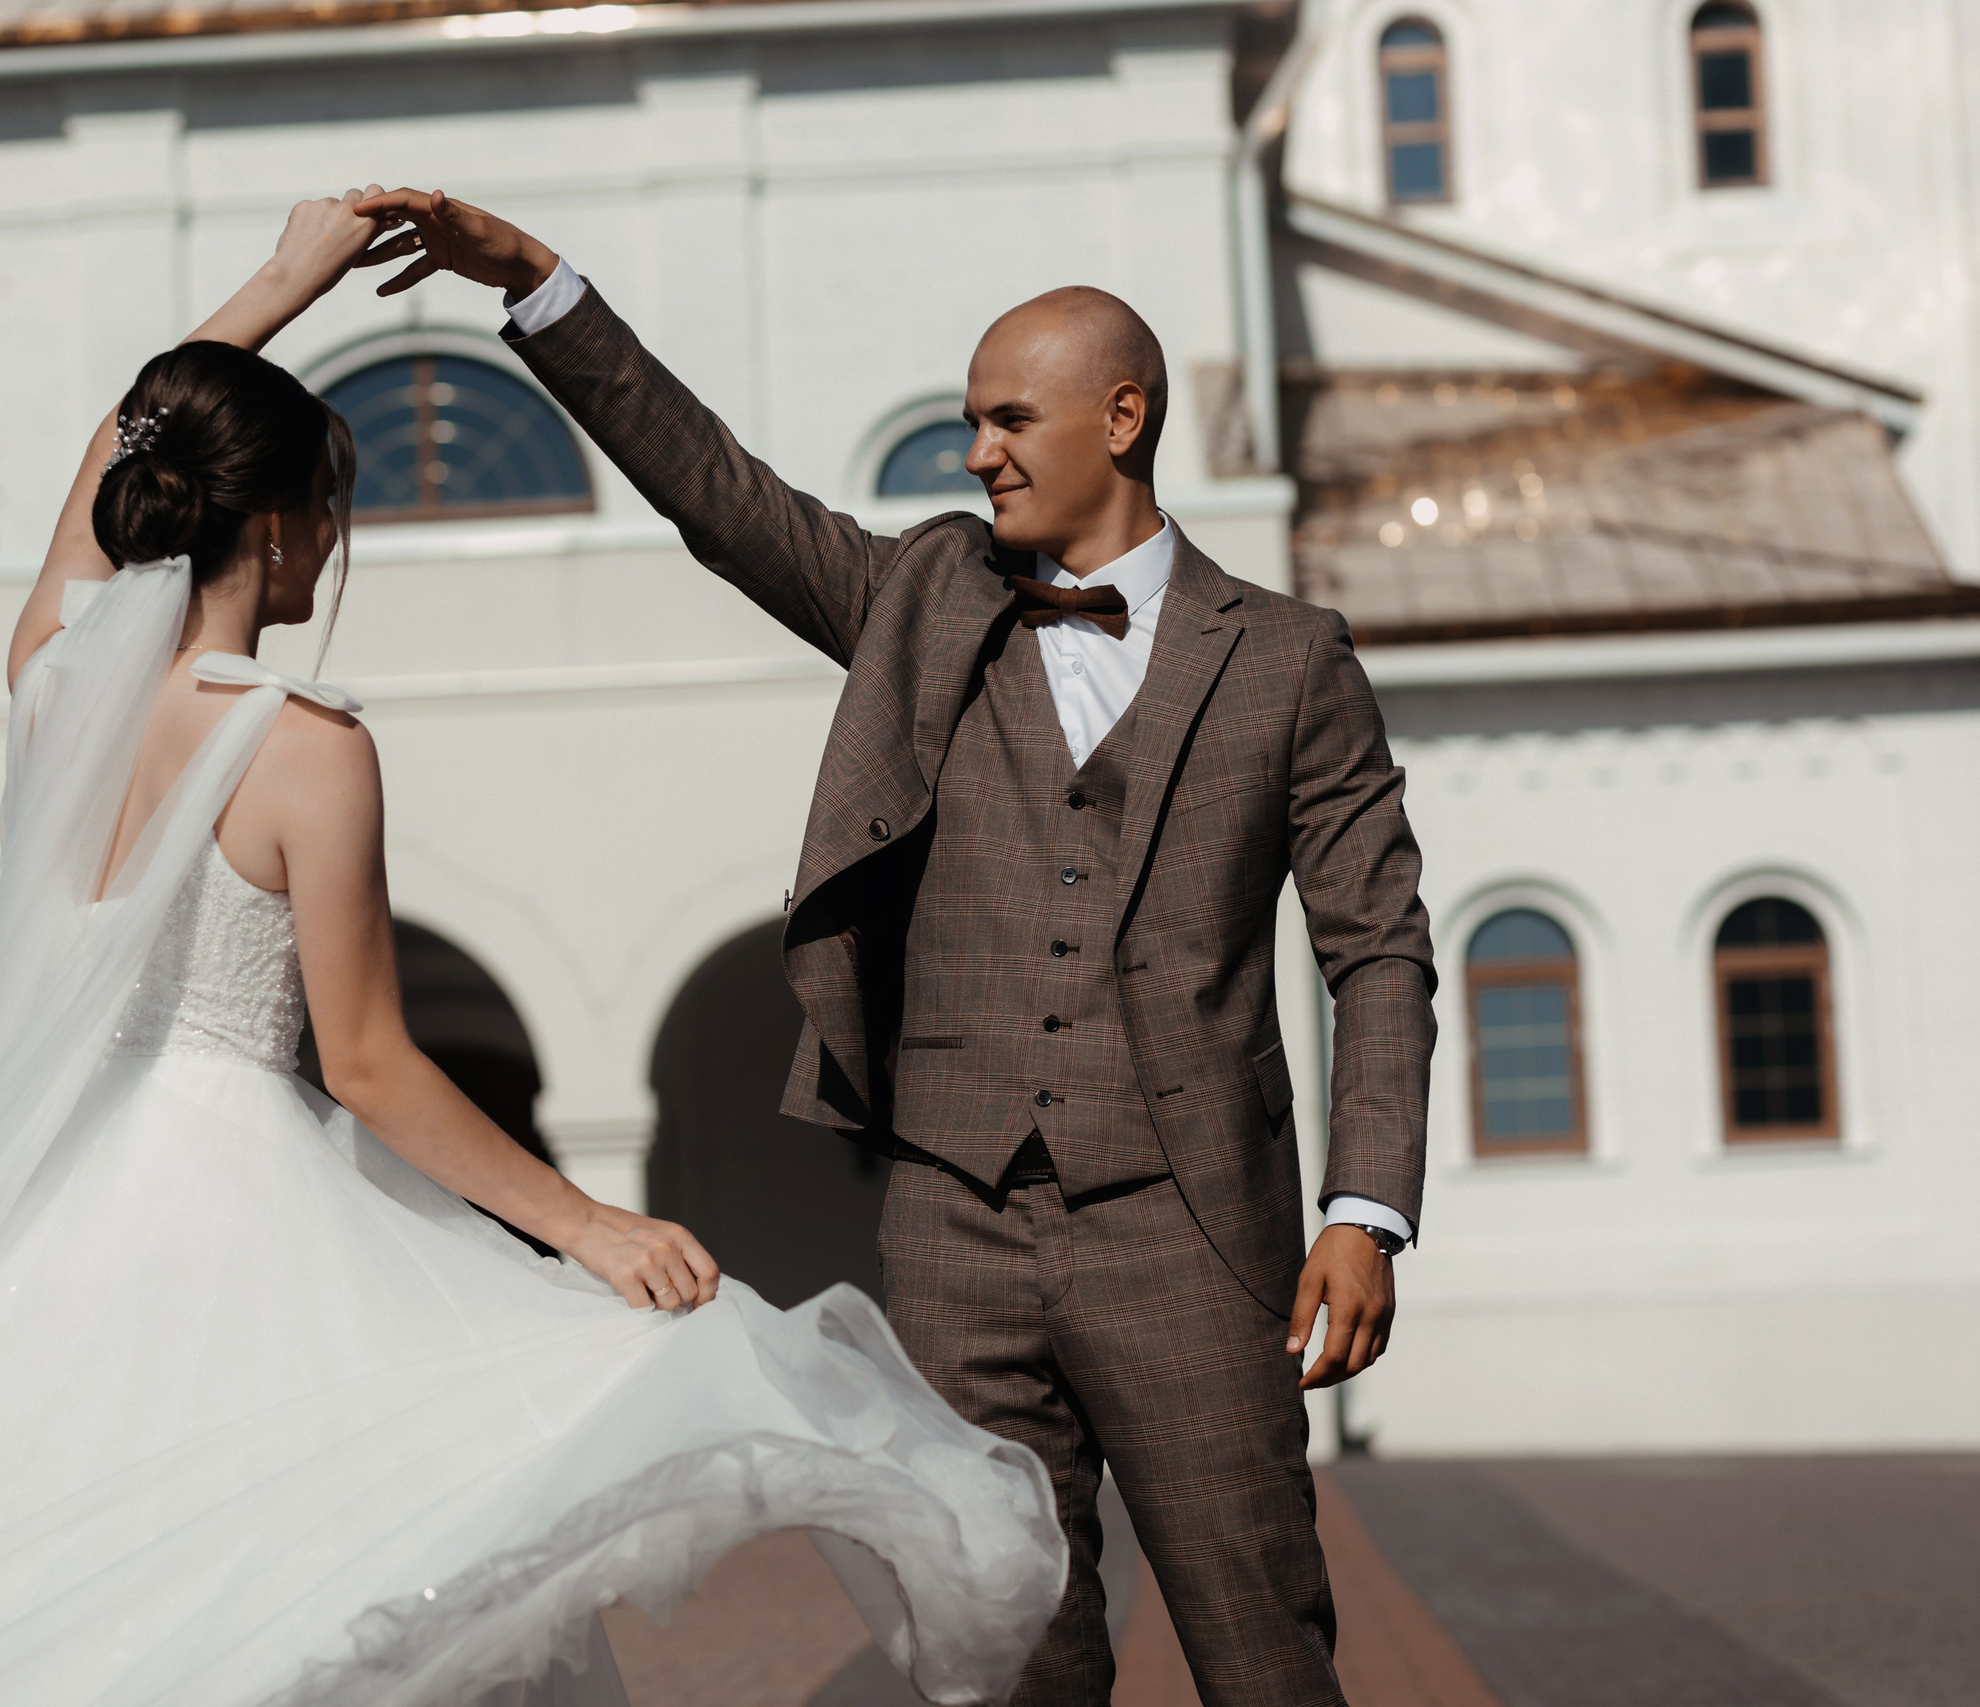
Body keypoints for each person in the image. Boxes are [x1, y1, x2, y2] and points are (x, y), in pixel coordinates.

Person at [0, 191, 1065, 1707]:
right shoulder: (303, 744)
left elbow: (108, 472)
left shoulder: (54, 682)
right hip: (241, 1212)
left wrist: (281, 283)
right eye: (332, 515)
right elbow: (367, 1063)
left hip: (46, 1220)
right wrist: (582, 1223)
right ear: (289, 525)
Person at [354, 189, 1437, 1707]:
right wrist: (539, 287)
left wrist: (1366, 1207)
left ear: (1121, 418)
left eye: (1008, 420)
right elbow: (721, 495)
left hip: (1188, 1234)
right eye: (968, 422)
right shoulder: (924, 597)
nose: (977, 453)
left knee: (1262, 1647)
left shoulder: (1287, 661)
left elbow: (1377, 947)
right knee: (1004, 1654)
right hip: (955, 1233)